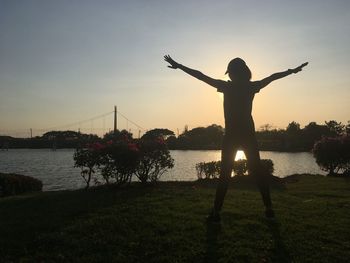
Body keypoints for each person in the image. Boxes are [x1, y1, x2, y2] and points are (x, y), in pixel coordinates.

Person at [164, 55, 308, 222]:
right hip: (248, 135)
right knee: (258, 173)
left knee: (225, 174)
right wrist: (292, 71)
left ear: (233, 72)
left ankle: (216, 213)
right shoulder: (251, 86)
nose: (229, 76)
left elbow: (200, 75)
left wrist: (179, 66)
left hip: (232, 136)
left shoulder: (227, 87)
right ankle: (268, 210)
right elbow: (273, 77)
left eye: (230, 72)